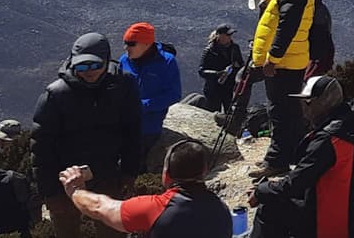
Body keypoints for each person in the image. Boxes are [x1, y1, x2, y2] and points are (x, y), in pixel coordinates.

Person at [32, 32, 142, 238]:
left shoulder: (123, 86)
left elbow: (132, 132)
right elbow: (41, 148)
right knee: (67, 231)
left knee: (112, 232)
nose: (88, 72)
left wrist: (129, 172)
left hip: (108, 173)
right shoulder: (56, 95)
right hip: (65, 180)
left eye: (95, 65)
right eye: (81, 66)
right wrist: (49, 192)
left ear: (107, 61)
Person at [248, 76, 354, 238]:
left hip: (338, 226)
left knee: (270, 206)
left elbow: (294, 185)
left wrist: (261, 190)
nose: (303, 106)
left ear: (321, 103)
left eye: (307, 101)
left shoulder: (328, 140)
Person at [58, 139, 232, 238]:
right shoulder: (222, 210)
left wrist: (75, 190)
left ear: (167, 174)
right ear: (204, 172)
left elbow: (99, 207)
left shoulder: (154, 208)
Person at [249, 0, 317, 179]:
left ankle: (277, 161)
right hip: (289, 61)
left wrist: (272, 58)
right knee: (288, 111)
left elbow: (286, 29)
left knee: (280, 113)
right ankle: (291, 154)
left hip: (283, 64)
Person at [120, 21, 182, 167]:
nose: (126, 48)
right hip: (123, 123)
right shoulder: (124, 60)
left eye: (131, 44)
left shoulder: (167, 62)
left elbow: (174, 94)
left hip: (148, 127)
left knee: (137, 165)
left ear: (147, 44)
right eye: (125, 43)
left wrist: (143, 105)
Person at [199, 24, 246, 113]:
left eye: (230, 35)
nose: (230, 37)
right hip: (213, 89)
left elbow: (241, 64)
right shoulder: (209, 50)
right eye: (227, 35)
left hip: (229, 88)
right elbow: (201, 71)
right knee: (212, 114)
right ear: (219, 35)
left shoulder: (235, 48)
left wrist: (238, 68)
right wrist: (218, 73)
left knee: (229, 114)